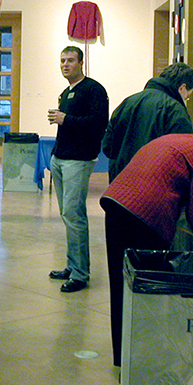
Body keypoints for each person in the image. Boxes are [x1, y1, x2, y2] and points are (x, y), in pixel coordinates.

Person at [100, 123, 193, 367]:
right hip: (146, 216)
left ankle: (123, 356)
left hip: (116, 203)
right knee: (148, 293)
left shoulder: (181, 139)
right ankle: (143, 361)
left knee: (121, 284)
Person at [47, 46, 108, 293]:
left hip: (78, 161)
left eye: (70, 60)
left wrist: (66, 119)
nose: (65, 65)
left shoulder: (94, 90)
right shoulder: (66, 91)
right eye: (62, 60)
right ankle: (72, 266)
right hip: (60, 159)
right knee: (67, 216)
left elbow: (98, 124)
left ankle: (81, 273)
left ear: (81, 63)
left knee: (74, 216)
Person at [102, 62, 193, 182]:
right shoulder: (175, 110)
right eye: (187, 97)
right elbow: (184, 153)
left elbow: (108, 145)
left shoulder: (128, 102)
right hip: (155, 184)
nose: (185, 100)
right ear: (182, 88)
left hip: (121, 183)